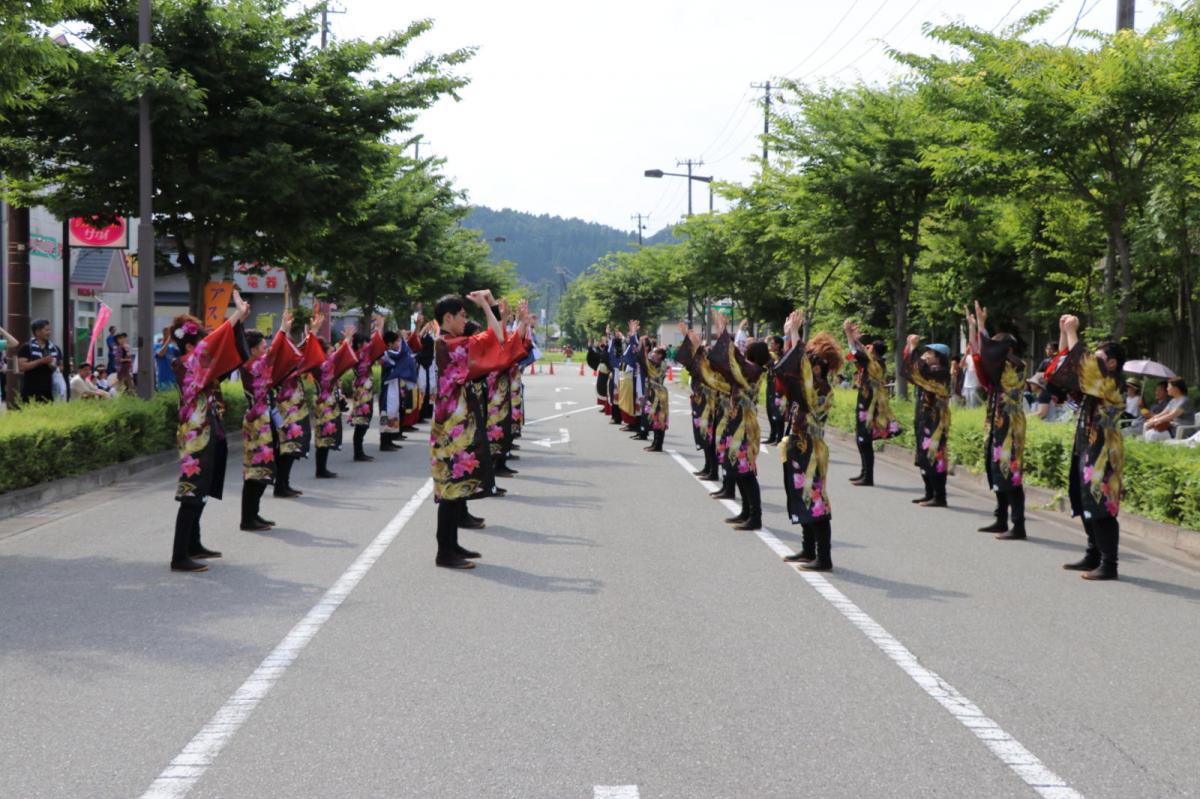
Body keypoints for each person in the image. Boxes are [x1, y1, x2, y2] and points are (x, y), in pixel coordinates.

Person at [430, 291, 530, 569]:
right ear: (447, 318)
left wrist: (492, 306)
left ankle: (451, 545)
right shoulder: (449, 346)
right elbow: (496, 340)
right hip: (451, 429)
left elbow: (496, 339)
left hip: (458, 426)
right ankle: (444, 551)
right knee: (451, 491)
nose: (465, 319)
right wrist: (488, 305)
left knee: (456, 490)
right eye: (461, 315)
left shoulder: (452, 343)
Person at [170, 290, 252, 573]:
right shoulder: (189, 362)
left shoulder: (194, 362)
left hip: (205, 427)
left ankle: (194, 543)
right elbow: (214, 343)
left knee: (202, 488)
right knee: (192, 490)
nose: (207, 344)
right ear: (192, 344)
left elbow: (215, 346)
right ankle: (179, 555)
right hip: (196, 433)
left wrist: (238, 319)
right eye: (201, 340)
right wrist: (237, 315)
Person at [1046, 314, 1126, 580]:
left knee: (1101, 505)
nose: (1094, 361)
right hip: (1086, 447)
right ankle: (1093, 553)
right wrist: (1063, 335)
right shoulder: (1094, 384)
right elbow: (1065, 370)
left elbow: (1085, 366)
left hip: (1103, 453)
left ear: (1112, 363)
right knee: (1084, 500)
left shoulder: (1110, 384)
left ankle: (1109, 563)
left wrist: (1072, 331)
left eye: (1100, 358)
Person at [777, 310, 842, 570]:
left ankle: (824, 557)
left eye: (810, 362)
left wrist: (794, 334)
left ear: (817, 367)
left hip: (812, 450)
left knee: (815, 498)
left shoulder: (822, 389)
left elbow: (798, 367)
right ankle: (807, 549)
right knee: (801, 496)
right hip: (800, 444)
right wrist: (788, 335)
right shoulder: (810, 386)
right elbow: (791, 369)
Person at [697, 310, 770, 530]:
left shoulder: (755, 370)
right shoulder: (746, 371)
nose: (743, 351)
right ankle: (746, 512)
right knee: (736, 468)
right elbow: (730, 361)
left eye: (747, 349)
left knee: (745, 472)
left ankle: (755, 516)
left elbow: (734, 358)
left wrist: (724, 331)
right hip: (735, 423)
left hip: (745, 427)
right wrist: (722, 332)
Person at [966, 302, 1028, 540]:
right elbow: (979, 356)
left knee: (1010, 472)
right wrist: (974, 328)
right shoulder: (1000, 365)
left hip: (1010, 425)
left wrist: (981, 325)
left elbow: (985, 354)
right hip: (996, 421)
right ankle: (1000, 519)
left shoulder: (1015, 364)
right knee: (997, 470)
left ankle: (1018, 525)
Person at [239, 319, 303, 532]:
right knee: (255, 470)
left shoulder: (258, 365)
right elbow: (275, 353)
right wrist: (282, 330)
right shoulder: (250, 366)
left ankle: (253, 514)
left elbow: (277, 355)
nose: (266, 351)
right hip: (256, 424)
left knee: (264, 468)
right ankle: (247, 519)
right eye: (262, 348)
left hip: (266, 420)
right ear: (254, 350)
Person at [843, 319, 901, 487]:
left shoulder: (873, 362)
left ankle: (868, 477)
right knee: (861, 439)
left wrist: (849, 334)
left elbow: (854, 352)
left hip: (869, 405)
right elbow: (855, 354)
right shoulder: (875, 361)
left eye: (869, 347)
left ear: (873, 350)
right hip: (868, 402)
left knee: (864, 440)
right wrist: (853, 337)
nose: (866, 347)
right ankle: (864, 473)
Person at [275, 312, 325, 498]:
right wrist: (282, 330)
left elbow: (303, 350)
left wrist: (313, 331)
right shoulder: (276, 365)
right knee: (287, 449)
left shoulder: (291, 360)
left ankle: (284, 484)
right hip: (286, 411)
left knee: (293, 448)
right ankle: (280, 486)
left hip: (296, 409)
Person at [904, 334, 952, 507]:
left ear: (939, 357)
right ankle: (929, 493)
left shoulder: (940, 372)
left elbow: (920, 369)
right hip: (924, 417)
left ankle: (940, 496)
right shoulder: (928, 373)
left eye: (930, 353)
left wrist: (913, 348)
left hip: (936, 420)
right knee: (923, 455)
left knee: (935, 455)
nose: (926, 355)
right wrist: (911, 350)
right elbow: (910, 373)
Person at [311, 330, 357, 479]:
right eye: (329, 349)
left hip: (327, 402)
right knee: (323, 437)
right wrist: (347, 339)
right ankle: (320, 469)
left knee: (325, 437)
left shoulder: (323, 364)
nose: (332, 351)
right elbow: (338, 356)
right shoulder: (321, 365)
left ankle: (322, 468)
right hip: (324, 404)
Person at [16, 319, 62, 404]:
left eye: (50, 330)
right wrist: (41, 361)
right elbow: (22, 366)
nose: (49, 332)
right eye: (46, 330)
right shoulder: (26, 347)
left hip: (49, 390)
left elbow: (60, 367)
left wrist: (52, 365)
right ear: (37, 332)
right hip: (30, 390)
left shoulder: (55, 348)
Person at [1143, 377, 1193, 442]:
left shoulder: (1185, 401)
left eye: (1169, 387)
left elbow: (1171, 416)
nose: (1167, 389)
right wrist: (1152, 419)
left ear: (1176, 388)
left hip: (1181, 430)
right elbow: (1163, 413)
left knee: (1153, 435)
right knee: (1148, 430)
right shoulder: (1173, 400)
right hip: (1172, 428)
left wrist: (1154, 421)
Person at [763, 335, 786, 445]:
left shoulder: (782, 356)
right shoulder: (770, 356)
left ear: (778, 345)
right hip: (770, 384)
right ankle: (772, 436)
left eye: (772, 343)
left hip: (779, 387)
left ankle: (780, 437)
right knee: (769, 410)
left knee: (778, 413)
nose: (770, 345)